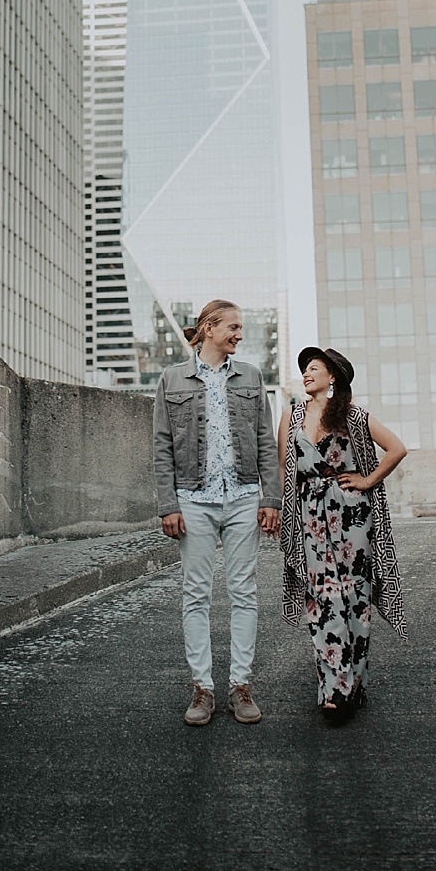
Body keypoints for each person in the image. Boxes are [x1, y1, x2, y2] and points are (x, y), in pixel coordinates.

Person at [151, 299, 280, 727]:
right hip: (193, 499)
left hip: (244, 496)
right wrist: (168, 504)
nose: (240, 334)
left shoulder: (251, 377)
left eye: (241, 328)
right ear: (209, 328)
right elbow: (162, 446)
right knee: (196, 594)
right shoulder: (172, 379)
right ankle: (202, 688)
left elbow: (265, 440)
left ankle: (240, 685)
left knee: (244, 592)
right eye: (234, 327)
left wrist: (270, 498)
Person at [275, 345, 409, 722]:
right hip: (309, 516)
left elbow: (397, 449)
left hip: (352, 517)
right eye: (304, 369)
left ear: (332, 377)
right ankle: (334, 690)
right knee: (322, 598)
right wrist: (284, 513)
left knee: (355, 598)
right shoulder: (290, 415)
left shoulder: (354, 415)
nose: (306, 374)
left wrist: (367, 480)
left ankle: (354, 685)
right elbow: (284, 468)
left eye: (314, 368)